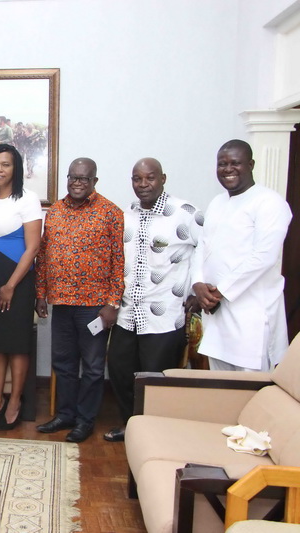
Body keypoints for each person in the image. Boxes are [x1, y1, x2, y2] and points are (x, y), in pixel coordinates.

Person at [104, 158, 202, 442]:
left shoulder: (185, 213)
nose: (143, 184)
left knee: (156, 379)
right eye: (137, 179)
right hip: (127, 313)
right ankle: (131, 426)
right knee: (121, 372)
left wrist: (196, 290)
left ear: (163, 178)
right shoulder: (126, 215)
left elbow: (207, 251)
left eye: (150, 178)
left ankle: (155, 434)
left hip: (164, 314)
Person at [35, 158, 124, 443]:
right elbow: (44, 255)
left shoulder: (111, 213)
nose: (76, 183)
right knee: (63, 363)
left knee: (94, 367)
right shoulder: (56, 211)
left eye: (83, 179)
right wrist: (40, 294)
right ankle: (65, 414)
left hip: (94, 306)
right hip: (60, 302)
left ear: (94, 182)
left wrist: (112, 303)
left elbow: (119, 263)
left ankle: (85, 420)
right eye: (72, 177)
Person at [192, 139, 292, 371]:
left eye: (235, 163)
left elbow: (263, 257)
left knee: (250, 391)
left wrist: (219, 291)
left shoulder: (269, 202)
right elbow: (202, 246)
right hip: (217, 315)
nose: (227, 169)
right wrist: (197, 283)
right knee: (221, 392)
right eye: (222, 164)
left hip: (251, 317)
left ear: (251, 164)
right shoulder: (218, 202)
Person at [0, 144, 42, 431]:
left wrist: (11, 285)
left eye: (5, 164)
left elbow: (33, 248)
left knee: (16, 345)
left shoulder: (27, 199)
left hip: (17, 279)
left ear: (16, 168)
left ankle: (15, 401)